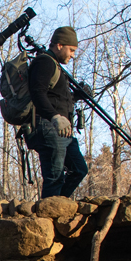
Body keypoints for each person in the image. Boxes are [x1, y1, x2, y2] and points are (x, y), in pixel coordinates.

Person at [27, 26, 88, 199]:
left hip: (62, 131)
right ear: (59, 45)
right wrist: (54, 117)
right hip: (49, 128)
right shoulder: (44, 62)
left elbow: (56, 98)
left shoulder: (55, 66)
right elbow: (37, 93)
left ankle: (56, 208)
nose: (73, 55)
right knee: (55, 178)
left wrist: (77, 96)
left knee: (79, 169)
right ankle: (47, 218)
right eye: (71, 50)